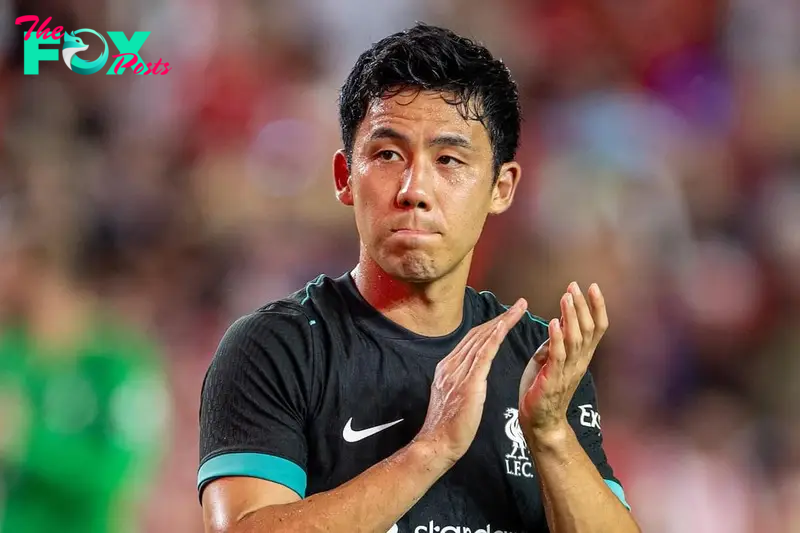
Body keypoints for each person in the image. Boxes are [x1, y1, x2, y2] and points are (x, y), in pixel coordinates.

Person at [198, 23, 641, 533]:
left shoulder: (539, 364)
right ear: (345, 177)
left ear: (501, 187)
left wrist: (550, 434)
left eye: (449, 160)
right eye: (388, 155)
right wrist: (431, 449)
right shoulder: (278, 349)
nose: (414, 189)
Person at [0, 232, 169, 533]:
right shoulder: (13, 356)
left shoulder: (121, 367)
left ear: (71, 291)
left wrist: (28, 442)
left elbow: (118, 475)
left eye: (31, 302)